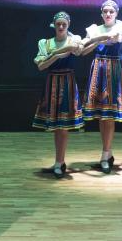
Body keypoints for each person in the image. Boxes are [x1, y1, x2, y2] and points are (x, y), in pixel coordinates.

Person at [32, 11, 85, 178]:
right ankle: (59, 162)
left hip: (67, 82)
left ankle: (60, 161)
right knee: (56, 126)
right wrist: (56, 55)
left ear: (68, 25)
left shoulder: (73, 40)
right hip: (52, 82)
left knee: (62, 126)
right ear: (54, 25)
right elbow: (41, 66)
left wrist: (56, 53)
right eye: (58, 24)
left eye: (64, 24)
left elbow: (78, 50)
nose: (61, 26)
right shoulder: (46, 43)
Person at [80, 0, 122, 173]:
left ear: (116, 13)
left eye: (111, 11)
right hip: (98, 69)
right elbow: (83, 50)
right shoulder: (95, 29)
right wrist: (95, 40)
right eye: (105, 11)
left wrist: (100, 38)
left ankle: (105, 154)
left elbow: (116, 37)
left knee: (108, 115)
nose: (108, 14)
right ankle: (107, 154)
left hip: (112, 70)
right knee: (102, 115)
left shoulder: (121, 27)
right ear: (101, 13)